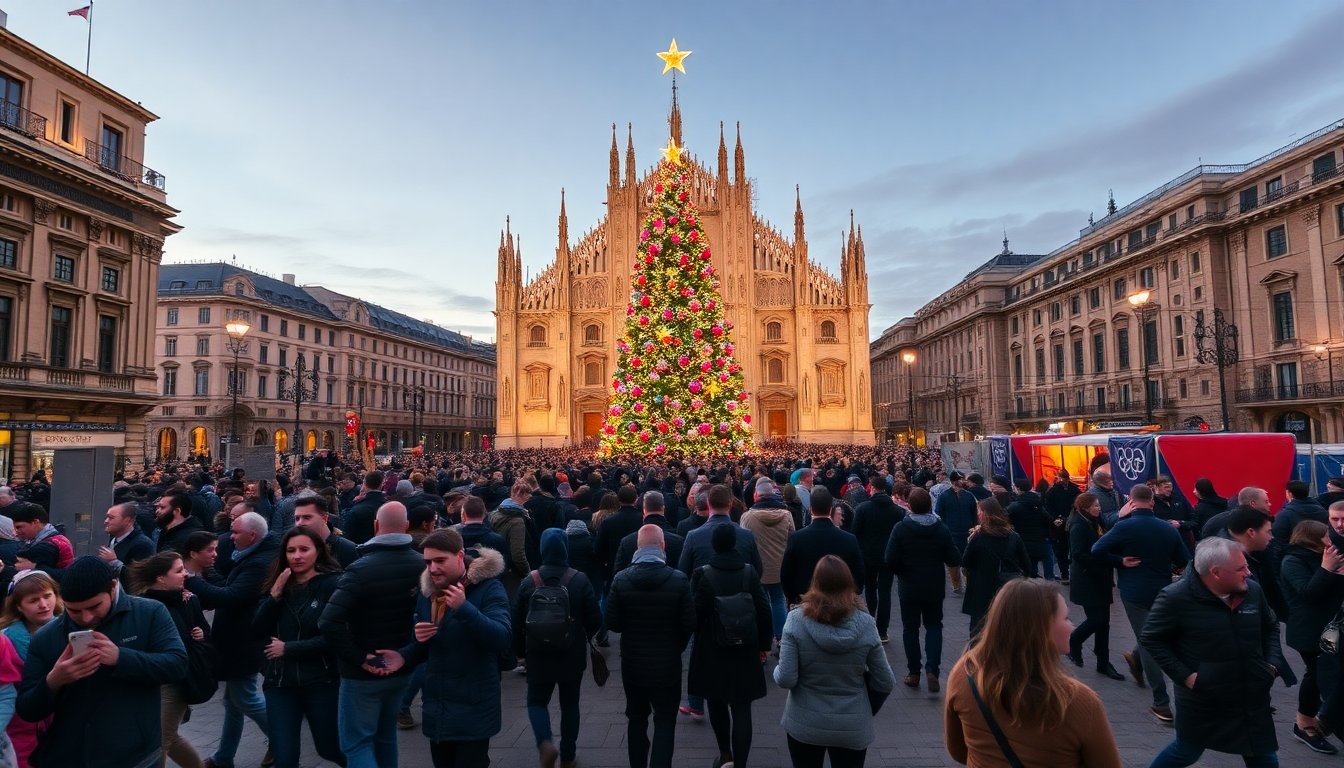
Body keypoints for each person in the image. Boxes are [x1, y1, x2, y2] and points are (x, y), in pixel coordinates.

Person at [17, 556, 188, 768]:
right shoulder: (45, 637)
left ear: (113, 588)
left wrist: (120, 657)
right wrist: (54, 681)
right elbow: (27, 709)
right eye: (75, 611)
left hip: (137, 755)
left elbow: (177, 665)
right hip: (72, 757)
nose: (86, 618)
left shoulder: (150, 612)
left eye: (94, 606)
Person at [1141, 537, 1290, 767]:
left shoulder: (1252, 591)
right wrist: (1187, 677)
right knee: (1187, 751)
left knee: (1263, 755)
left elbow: (1270, 626)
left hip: (1250, 694)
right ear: (1216, 573)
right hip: (1204, 697)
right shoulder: (1175, 597)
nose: (1248, 573)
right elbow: (1152, 639)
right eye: (1241, 568)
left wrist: (1271, 665)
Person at [944, 579, 1122, 768]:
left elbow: (958, 751)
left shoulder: (964, 674)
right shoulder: (1078, 701)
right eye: (1066, 618)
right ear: (1041, 630)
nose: (1072, 626)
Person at [318, 502, 424, 768]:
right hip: (402, 665)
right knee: (386, 736)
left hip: (363, 673)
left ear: (376, 527)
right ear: (407, 527)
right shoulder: (423, 565)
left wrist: (360, 658)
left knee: (356, 743)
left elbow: (329, 622)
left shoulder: (360, 568)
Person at [398, 527, 510, 768]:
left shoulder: (489, 588)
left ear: (459, 556)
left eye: (440, 560)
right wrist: (410, 647)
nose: (433, 568)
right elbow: (423, 647)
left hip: (474, 708)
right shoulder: (428, 592)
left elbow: (501, 638)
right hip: (437, 708)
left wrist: (465, 608)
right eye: (428, 562)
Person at [775, 555, 895, 768]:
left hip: (805, 722)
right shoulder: (866, 624)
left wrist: (776, 669)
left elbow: (786, 678)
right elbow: (885, 680)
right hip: (852, 724)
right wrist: (867, 707)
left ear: (815, 583)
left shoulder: (795, 620)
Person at [186, 511, 278, 768]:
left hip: (244, 642)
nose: (230, 537)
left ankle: (283, 739)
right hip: (238, 641)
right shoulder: (250, 555)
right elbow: (229, 585)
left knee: (245, 698)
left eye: (235, 532)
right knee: (233, 702)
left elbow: (231, 596)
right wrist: (209, 572)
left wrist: (192, 580)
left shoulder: (259, 562)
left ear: (252, 535)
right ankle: (224, 757)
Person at [1091, 482, 1189, 724]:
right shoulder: (1167, 529)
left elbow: (1097, 550)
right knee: (1152, 634)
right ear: (1153, 502)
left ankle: (1161, 702)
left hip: (1134, 591)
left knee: (1148, 640)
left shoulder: (1124, 527)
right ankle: (1138, 662)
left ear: (1131, 503)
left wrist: (1120, 561)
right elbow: (1184, 560)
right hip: (1162, 589)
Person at [253, 527, 346, 768]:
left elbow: (337, 637)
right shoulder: (279, 583)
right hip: (280, 682)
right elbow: (257, 628)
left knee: (329, 747)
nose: (297, 556)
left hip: (320, 680)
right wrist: (274, 595)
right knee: (284, 757)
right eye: (291, 550)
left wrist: (291, 648)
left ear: (318, 552)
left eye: (304, 549)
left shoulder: (331, 584)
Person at [605, 524, 696, 768]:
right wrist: (677, 645)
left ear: (638, 547)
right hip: (667, 663)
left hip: (633, 663)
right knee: (665, 721)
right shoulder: (678, 580)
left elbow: (612, 622)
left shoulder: (621, 579)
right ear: (663, 546)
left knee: (636, 718)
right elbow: (689, 622)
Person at [512, 528, 602, 768]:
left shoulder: (530, 581)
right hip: (570, 653)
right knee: (570, 704)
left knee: (536, 701)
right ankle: (568, 755)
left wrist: (520, 653)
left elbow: (516, 620)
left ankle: (545, 743)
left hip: (538, 653)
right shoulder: (579, 580)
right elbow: (595, 619)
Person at [688, 524, 772, 768]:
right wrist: (763, 645)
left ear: (714, 545)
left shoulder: (703, 574)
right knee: (742, 706)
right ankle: (741, 763)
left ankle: (725, 755)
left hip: (713, 647)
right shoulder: (748, 572)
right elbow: (764, 610)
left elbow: (696, 613)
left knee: (716, 702)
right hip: (745, 646)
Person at [127, 551, 211, 768]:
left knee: (159, 742)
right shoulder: (143, 605)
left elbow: (204, 630)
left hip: (175, 682)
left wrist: (200, 634)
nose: (186, 574)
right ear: (161, 578)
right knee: (169, 738)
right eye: (179, 570)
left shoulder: (188, 600)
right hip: (149, 680)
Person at [1278, 519, 1344, 754]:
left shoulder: (1326, 555)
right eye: (1326, 534)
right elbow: (1309, 594)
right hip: (1309, 630)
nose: (1331, 537)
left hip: (1331, 628)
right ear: (1312, 539)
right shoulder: (1293, 561)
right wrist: (1328, 569)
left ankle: (1323, 721)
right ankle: (1305, 724)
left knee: (1330, 676)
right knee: (1318, 675)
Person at [884, 487, 960, 691]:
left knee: (910, 628)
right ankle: (932, 670)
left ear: (909, 505)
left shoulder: (900, 528)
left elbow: (890, 559)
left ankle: (914, 672)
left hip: (909, 585)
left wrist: (902, 571)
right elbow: (953, 558)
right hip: (934, 584)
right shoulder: (941, 528)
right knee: (934, 626)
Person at [0, 571, 60, 768]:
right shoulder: (6, 639)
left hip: (61, 722)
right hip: (20, 729)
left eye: (47, 596)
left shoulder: (72, 629)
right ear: (18, 606)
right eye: (34, 600)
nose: (43, 605)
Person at [1066, 493, 1128, 681]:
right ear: (1085, 507)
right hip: (1088, 580)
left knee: (1104, 623)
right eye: (1095, 506)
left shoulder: (1095, 521)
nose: (1099, 508)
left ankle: (1103, 661)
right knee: (1097, 619)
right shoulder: (1078, 525)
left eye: (1099, 505)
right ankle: (1074, 640)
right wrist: (1106, 563)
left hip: (1101, 579)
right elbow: (1078, 554)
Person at [779, 487, 864, 607]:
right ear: (830, 510)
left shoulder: (797, 538)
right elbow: (859, 574)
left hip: (806, 602)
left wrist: (793, 598)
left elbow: (786, 573)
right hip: (840, 603)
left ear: (811, 509)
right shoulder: (849, 539)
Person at [960, 497, 1031, 637]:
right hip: (1007, 589)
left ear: (986, 513)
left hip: (981, 591)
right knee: (1006, 630)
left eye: (979, 511)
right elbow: (1027, 565)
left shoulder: (978, 537)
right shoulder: (1013, 536)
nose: (977, 514)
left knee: (978, 633)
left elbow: (966, 561)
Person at [851, 477, 903, 643]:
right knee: (885, 593)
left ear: (872, 488)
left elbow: (855, 533)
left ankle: (870, 624)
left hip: (868, 556)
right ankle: (883, 631)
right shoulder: (897, 510)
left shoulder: (863, 508)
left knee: (870, 590)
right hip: (889, 556)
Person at [491, 481, 536, 604]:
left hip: (501, 566)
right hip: (513, 571)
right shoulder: (517, 521)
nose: (529, 498)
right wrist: (528, 573)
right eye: (527, 495)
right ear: (521, 495)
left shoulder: (497, 512)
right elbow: (518, 553)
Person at [98, 502, 154, 587]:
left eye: (111, 518)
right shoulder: (114, 538)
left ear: (127, 521)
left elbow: (141, 578)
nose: (106, 521)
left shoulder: (143, 545)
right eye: (107, 517)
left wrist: (114, 562)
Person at [293, 495, 358, 568]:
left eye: (307, 517)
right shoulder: (293, 548)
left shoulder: (347, 549)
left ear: (324, 518)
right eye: (297, 518)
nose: (300, 523)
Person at [1006, 478, 1049, 578]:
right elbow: (1048, 521)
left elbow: (1006, 522)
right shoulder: (1038, 505)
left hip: (1020, 543)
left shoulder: (1014, 507)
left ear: (1019, 489)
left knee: (1022, 573)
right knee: (1033, 570)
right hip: (1037, 543)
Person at [1044, 470, 1081, 581]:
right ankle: (1064, 573)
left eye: (1063, 478)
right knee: (1062, 550)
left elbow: (1079, 504)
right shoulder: (1053, 491)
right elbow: (1048, 506)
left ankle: (1073, 572)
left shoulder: (1075, 489)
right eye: (1060, 478)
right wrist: (1055, 518)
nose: (1062, 480)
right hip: (1060, 523)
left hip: (1072, 521)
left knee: (1073, 548)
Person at [1272, 481, 1328, 551]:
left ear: (1290, 493)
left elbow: (1278, 539)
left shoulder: (1285, 515)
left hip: (1295, 554)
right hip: (1322, 553)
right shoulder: (1323, 511)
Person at [340, 471, 386, 545]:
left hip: (361, 550)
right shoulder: (389, 507)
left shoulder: (356, 510)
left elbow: (346, 536)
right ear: (381, 484)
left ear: (364, 484)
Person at [156, 490, 205, 555]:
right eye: (158, 507)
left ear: (177, 511)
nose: (157, 511)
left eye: (162, 507)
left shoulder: (183, 540)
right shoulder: (168, 531)